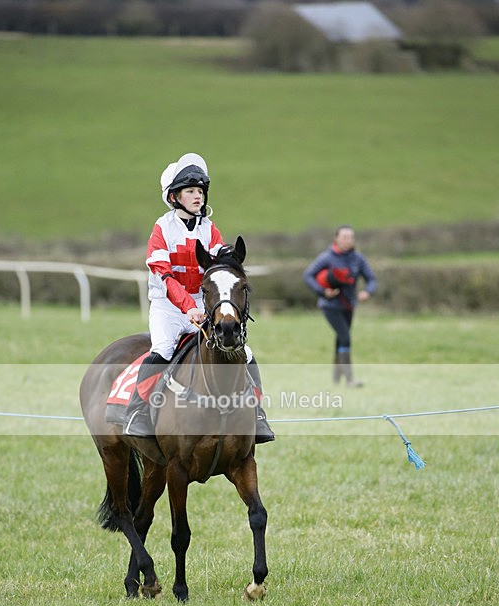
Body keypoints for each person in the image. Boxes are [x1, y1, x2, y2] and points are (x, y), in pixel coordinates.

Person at [123, 152, 274, 443]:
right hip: (168, 307)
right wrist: (187, 307)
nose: (198, 196)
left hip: (204, 306)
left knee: (247, 354)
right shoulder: (161, 229)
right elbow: (164, 276)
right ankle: (138, 412)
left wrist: (231, 257)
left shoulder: (209, 229)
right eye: (191, 191)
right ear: (174, 197)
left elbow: (219, 262)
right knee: (163, 348)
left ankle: (257, 415)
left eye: (201, 191)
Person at [302, 225, 377, 386]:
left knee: (340, 340)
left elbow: (372, 279)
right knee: (345, 337)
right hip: (330, 306)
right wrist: (323, 291)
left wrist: (367, 292)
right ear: (336, 238)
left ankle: (336, 379)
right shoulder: (326, 257)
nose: (347, 240)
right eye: (344, 237)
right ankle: (350, 380)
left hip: (349, 306)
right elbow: (308, 276)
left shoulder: (358, 258)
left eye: (350, 237)